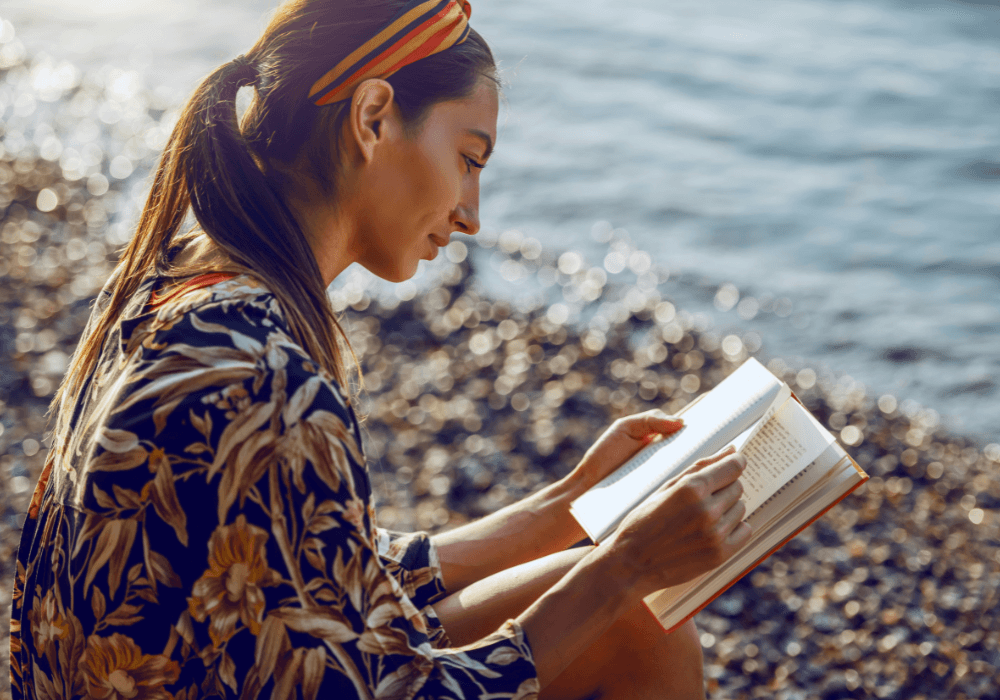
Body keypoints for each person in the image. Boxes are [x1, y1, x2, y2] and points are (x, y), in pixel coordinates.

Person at [9, 0, 752, 697]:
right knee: (633, 608)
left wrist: (570, 506)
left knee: (633, 612)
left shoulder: (172, 281)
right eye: (469, 158)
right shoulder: (267, 383)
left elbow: (319, 571)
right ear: (372, 118)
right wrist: (625, 567)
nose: (471, 215)